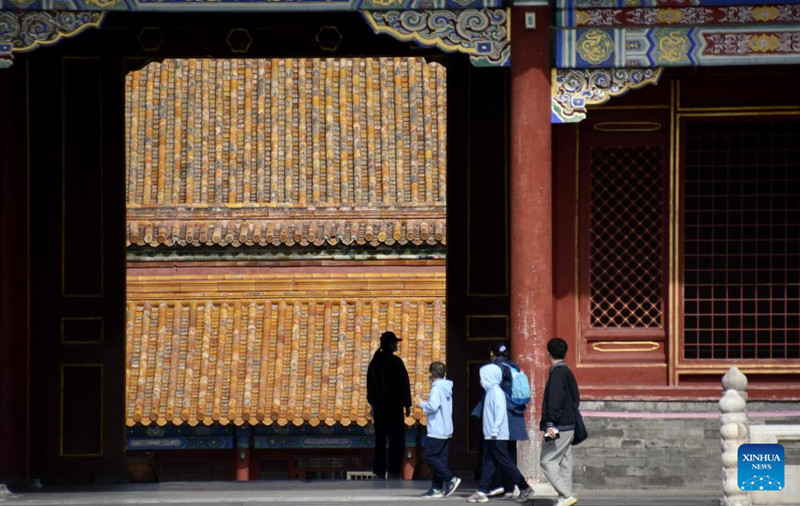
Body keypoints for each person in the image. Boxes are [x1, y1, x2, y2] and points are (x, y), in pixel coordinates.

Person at [467, 364, 535, 504]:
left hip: (496, 435)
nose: (481, 380)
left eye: (483, 376)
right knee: (488, 463)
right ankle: (482, 491)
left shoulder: (496, 392)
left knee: (504, 461)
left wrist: (494, 431)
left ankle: (524, 487)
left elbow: (499, 413)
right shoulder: (491, 391)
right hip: (491, 434)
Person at [539, 337, 580, 506]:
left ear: (548, 353)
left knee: (547, 460)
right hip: (570, 423)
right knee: (564, 461)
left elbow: (555, 400)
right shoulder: (568, 372)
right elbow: (575, 398)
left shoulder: (557, 373)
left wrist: (550, 423)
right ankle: (564, 498)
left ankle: (565, 494)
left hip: (559, 425)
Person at [367, 330, 412, 479]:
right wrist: (407, 405)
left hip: (379, 407)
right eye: (395, 343)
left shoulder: (374, 362)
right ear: (390, 344)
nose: (397, 345)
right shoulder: (395, 362)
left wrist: (373, 404)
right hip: (394, 407)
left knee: (380, 440)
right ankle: (393, 471)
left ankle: (379, 471)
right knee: (397, 440)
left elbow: (370, 386)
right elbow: (404, 384)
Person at [486, 342, 528, 499]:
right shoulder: (514, 366)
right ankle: (509, 488)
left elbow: (492, 392)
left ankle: (497, 485)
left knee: (496, 452)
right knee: (510, 452)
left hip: (501, 416)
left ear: (492, 354)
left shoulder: (495, 368)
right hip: (515, 413)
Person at [418, 361, 461, 498]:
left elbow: (433, 406)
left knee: (428, 456)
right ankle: (436, 488)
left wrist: (420, 403)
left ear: (431, 374)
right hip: (446, 427)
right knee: (440, 459)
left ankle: (451, 479)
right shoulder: (447, 387)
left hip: (437, 429)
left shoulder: (436, 388)